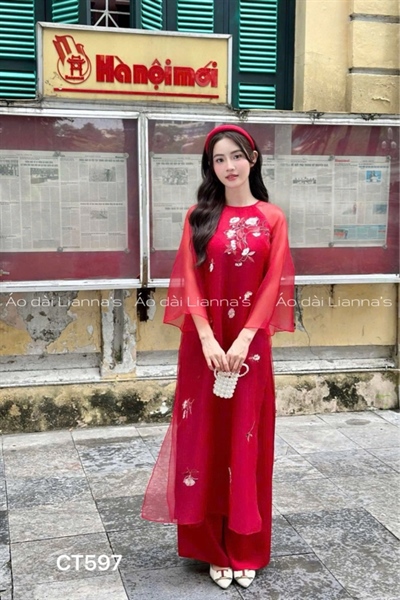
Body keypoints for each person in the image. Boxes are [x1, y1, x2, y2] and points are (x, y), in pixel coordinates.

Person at [141, 124, 295, 589]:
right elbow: (188, 280)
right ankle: (210, 547)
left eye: (236, 156)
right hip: (203, 347)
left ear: (253, 159)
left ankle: (245, 547)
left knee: (246, 438)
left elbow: (274, 283)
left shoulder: (272, 218)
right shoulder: (198, 216)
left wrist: (244, 339)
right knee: (202, 439)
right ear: (211, 167)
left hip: (250, 347)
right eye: (219, 159)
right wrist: (208, 339)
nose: (229, 166)